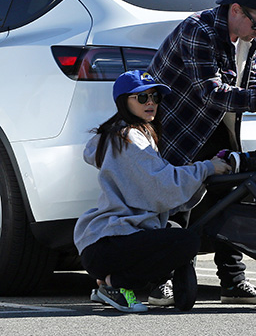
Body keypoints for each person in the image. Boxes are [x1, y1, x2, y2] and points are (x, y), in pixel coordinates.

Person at [147, 0, 256, 305]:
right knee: (179, 202)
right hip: (179, 127)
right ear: (235, 10)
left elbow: (252, 81)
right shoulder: (199, 31)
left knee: (232, 194)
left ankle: (232, 283)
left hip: (217, 123)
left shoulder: (250, 34)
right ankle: (157, 282)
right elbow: (210, 92)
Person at [73, 70, 231, 313]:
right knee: (185, 241)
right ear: (123, 101)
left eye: (155, 97)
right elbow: (162, 187)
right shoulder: (129, 138)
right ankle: (117, 284)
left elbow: (161, 191)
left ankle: (111, 285)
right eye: (142, 97)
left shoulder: (130, 134)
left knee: (175, 231)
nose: (150, 103)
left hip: (106, 242)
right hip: (109, 241)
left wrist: (197, 175)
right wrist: (206, 168)